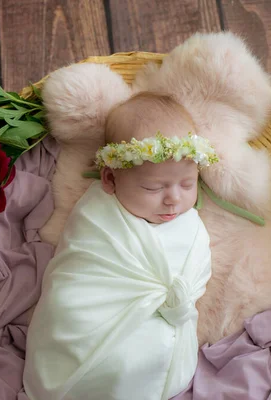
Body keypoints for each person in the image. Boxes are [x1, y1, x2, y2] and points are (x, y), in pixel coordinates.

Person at [23, 92, 218, 400]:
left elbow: (195, 274)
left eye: (187, 184)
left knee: (139, 358)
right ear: (110, 179)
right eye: (153, 187)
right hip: (91, 318)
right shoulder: (98, 216)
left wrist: (174, 299)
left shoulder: (190, 227)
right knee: (85, 331)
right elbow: (76, 281)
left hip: (161, 324)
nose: (173, 199)